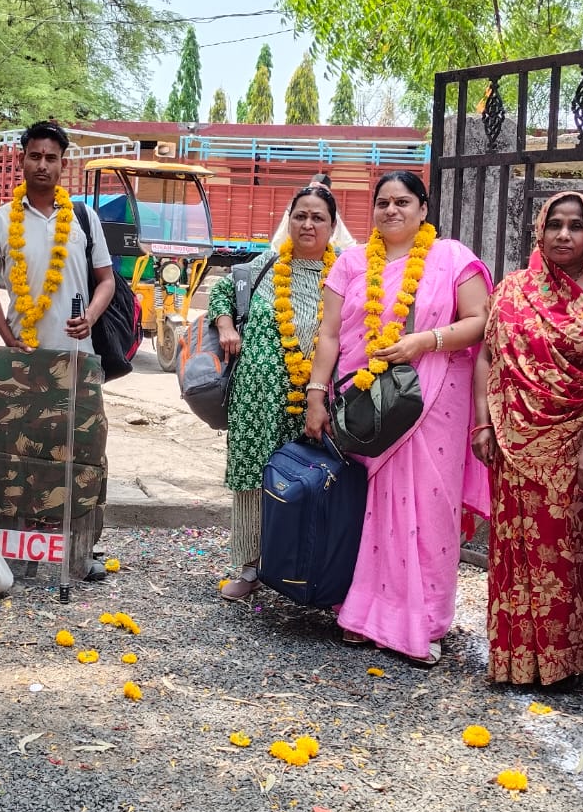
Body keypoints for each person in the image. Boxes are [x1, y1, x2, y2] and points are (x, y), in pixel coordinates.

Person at [305, 171, 491, 666]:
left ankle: (424, 621)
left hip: (434, 399)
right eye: (383, 202)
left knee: (429, 509)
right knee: (367, 506)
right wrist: (316, 395)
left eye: (403, 202)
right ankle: (363, 612)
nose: (391, 210)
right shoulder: (350, 262)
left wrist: (425, 342)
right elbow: (328, 335)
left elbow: (481, 321)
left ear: (423, 209)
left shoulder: (451, 257)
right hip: (368, 406)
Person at [473, 192, 583, 687]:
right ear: (540, 232)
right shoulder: (512, 288)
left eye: (576, 226)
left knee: (564, 554)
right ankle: (518, 661)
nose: (564, 235)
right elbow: (487, 356)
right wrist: (483, 423)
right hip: (511, 441)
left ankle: (564, 661)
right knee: (516, 547)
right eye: (555, 224)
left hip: (573, 442)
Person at [0, 121, 116, 578]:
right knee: (18, 454)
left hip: (76, 358)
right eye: (35, 156)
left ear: (63, 164)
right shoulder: (0, 221)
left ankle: (78, 552)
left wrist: (90, 316)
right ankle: (19, 552)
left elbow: (106, 281)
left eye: (51, 158)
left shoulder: (83, 218)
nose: (42, 165)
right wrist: (6, 335)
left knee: (81, 454)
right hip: (22, 361)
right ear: (22, 160)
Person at [210, 185, 338, 599]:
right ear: (289, 220)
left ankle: (302, 571)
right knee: (254, 479)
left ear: (332, 226)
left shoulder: (344, 275)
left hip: (315, 398)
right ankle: (249, 568)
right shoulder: (266, 265)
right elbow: (222, 291)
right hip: (257, 399)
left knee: (310, 481)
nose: (307, 224)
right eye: (300, 215)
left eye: (318, 217)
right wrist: (226, 326)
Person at [271, 172, 354, 249]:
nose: (307, 226)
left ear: (332, 225)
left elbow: (348, 245)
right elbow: (278, 242)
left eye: (317, 218)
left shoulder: (332, 212)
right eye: (300, 217)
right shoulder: (295, 208)